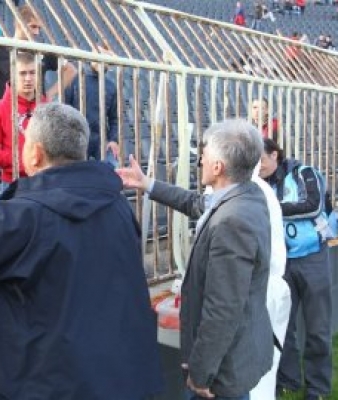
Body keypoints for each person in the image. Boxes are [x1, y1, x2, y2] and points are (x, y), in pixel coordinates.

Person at [0, 102, 164, 400]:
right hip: (121, 378)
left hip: (47, 385)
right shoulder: (117, 205)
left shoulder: (21, 216)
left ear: (35, 153)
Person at [118, 119, 273, 399]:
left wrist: (201, 373)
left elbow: (223, 309)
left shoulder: (232, 222)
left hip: (219, 371)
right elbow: (195, 203)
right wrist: (146, 183)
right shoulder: (244, 195)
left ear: (218, 167)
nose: (200, 160)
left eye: (204, 155)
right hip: (229, 356)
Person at [259, 139, 333, 400]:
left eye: (261, 159)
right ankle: (288, 381)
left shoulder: (304, 173)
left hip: (312, 258)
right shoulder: (259, 185)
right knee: (282, 325)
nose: (258, 166)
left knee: (318, 328)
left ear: (275, 155)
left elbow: (313, 205)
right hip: (281, 263)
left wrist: (273, 209)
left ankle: (317, 387)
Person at [0, 5, 76, 102]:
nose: (37, 32)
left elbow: (71, 70)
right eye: (33, 27)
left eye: (39, 28)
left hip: (37, 114)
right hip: (9, 114)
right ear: (19, 24)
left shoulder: (41, 50)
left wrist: (51, 93)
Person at [0, 51, 47, 193]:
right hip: (12, 182)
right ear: (13, 76)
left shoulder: (47, 106)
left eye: (32, 73)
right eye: (22, 73)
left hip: (43, 180)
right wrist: (19, 160)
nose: (28, 79)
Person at [250, 162, 291, 400]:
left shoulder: (251, 192)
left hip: (261, 290)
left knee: (257, 375)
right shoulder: (256, 189)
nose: (201, 162)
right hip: (266, 287)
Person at [63, 51, 119, 166]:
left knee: (113, 168)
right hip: (77, 137)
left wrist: (113, 140)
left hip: (100, 138)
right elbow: (63, 110)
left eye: (105, 58)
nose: (100, 61)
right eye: (98, 55)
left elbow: (115, 118)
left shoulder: (111, 87)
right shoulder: (75, 81)